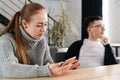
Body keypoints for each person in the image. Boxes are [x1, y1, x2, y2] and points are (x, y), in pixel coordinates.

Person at [0, 3, 80, 78]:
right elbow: (8, 69)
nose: (44, 29)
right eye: (39, 25)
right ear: (24, 24)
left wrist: (62, 67)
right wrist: (46, 70)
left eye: (45, 24)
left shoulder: (42, 42)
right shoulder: (6, 40)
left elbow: (48, 65)